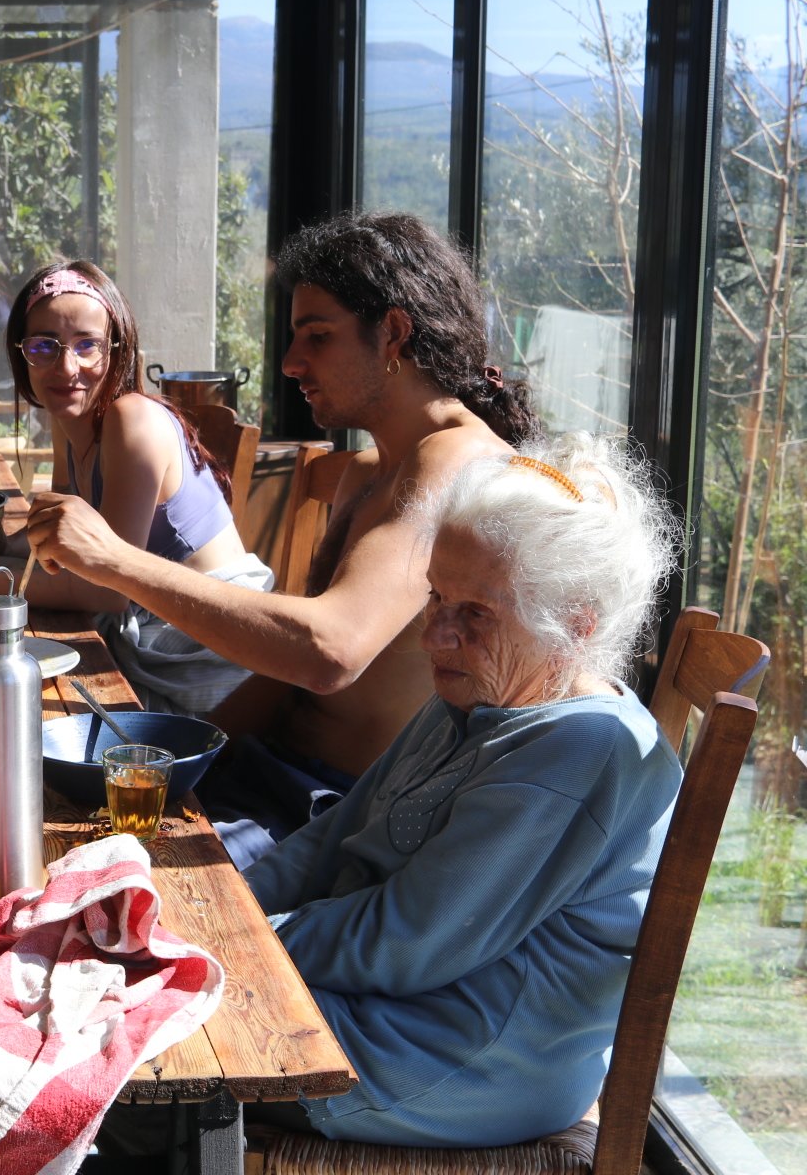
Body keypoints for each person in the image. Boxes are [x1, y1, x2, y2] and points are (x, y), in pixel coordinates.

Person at [23, 212, 541, 866]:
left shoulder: (459, 465)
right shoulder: (372, 469)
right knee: (32, 812)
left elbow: (330, 652)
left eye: (317, 337)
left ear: (394, 334)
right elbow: (280, 685)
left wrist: (114, 561)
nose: (292, 363)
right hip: (262, 778)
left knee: (57, 875)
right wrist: (182, 761)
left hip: (334, 817)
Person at [240, 434, 682, 1146]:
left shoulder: (580, 749)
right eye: (437, 597)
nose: (433, 638)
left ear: (574, 627)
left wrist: (240, 943)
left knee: (143, 1047)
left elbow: (407, 942)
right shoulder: (482, 693)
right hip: (391, 1003)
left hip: (457, 1058)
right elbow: (335, 834)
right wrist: (232, 910)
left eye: (475, 613)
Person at [0, 261, 274, 717]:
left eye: (87, 345)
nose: (67, 367)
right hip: (140, 636)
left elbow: (107, 589)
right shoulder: (68, 418)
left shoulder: (132, 419)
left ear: (117, 350)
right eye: (44, 346)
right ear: (21, 353)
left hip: (207, 662)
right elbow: (65, 541)